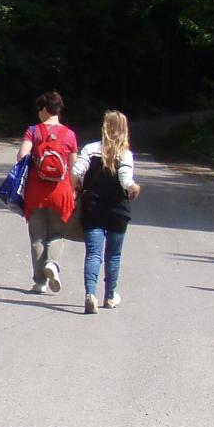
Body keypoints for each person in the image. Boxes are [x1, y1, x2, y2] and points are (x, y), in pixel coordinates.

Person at [74, 110, 141, 313]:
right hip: (117, 211)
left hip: (92, 208)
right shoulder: (125, 154)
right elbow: (125, 180)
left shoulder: (90, 149)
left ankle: (90, 294)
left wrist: (76, 185)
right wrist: (135, 188)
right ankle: (110, 296)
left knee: (93, 254)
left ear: (105, 127)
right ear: (124, 130)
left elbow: (76, 171)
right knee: (113, 255)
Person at [16, 91, 79, 294]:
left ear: (44, 109)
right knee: (57, 234)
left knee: (37, 237)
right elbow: (74, 168)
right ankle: (52, 263)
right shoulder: (69, 134)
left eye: (39, 110)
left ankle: (40, 282)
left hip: (36, 192)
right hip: (61, 193)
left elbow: (21, 156)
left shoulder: (33, 131)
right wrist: (74, 191)